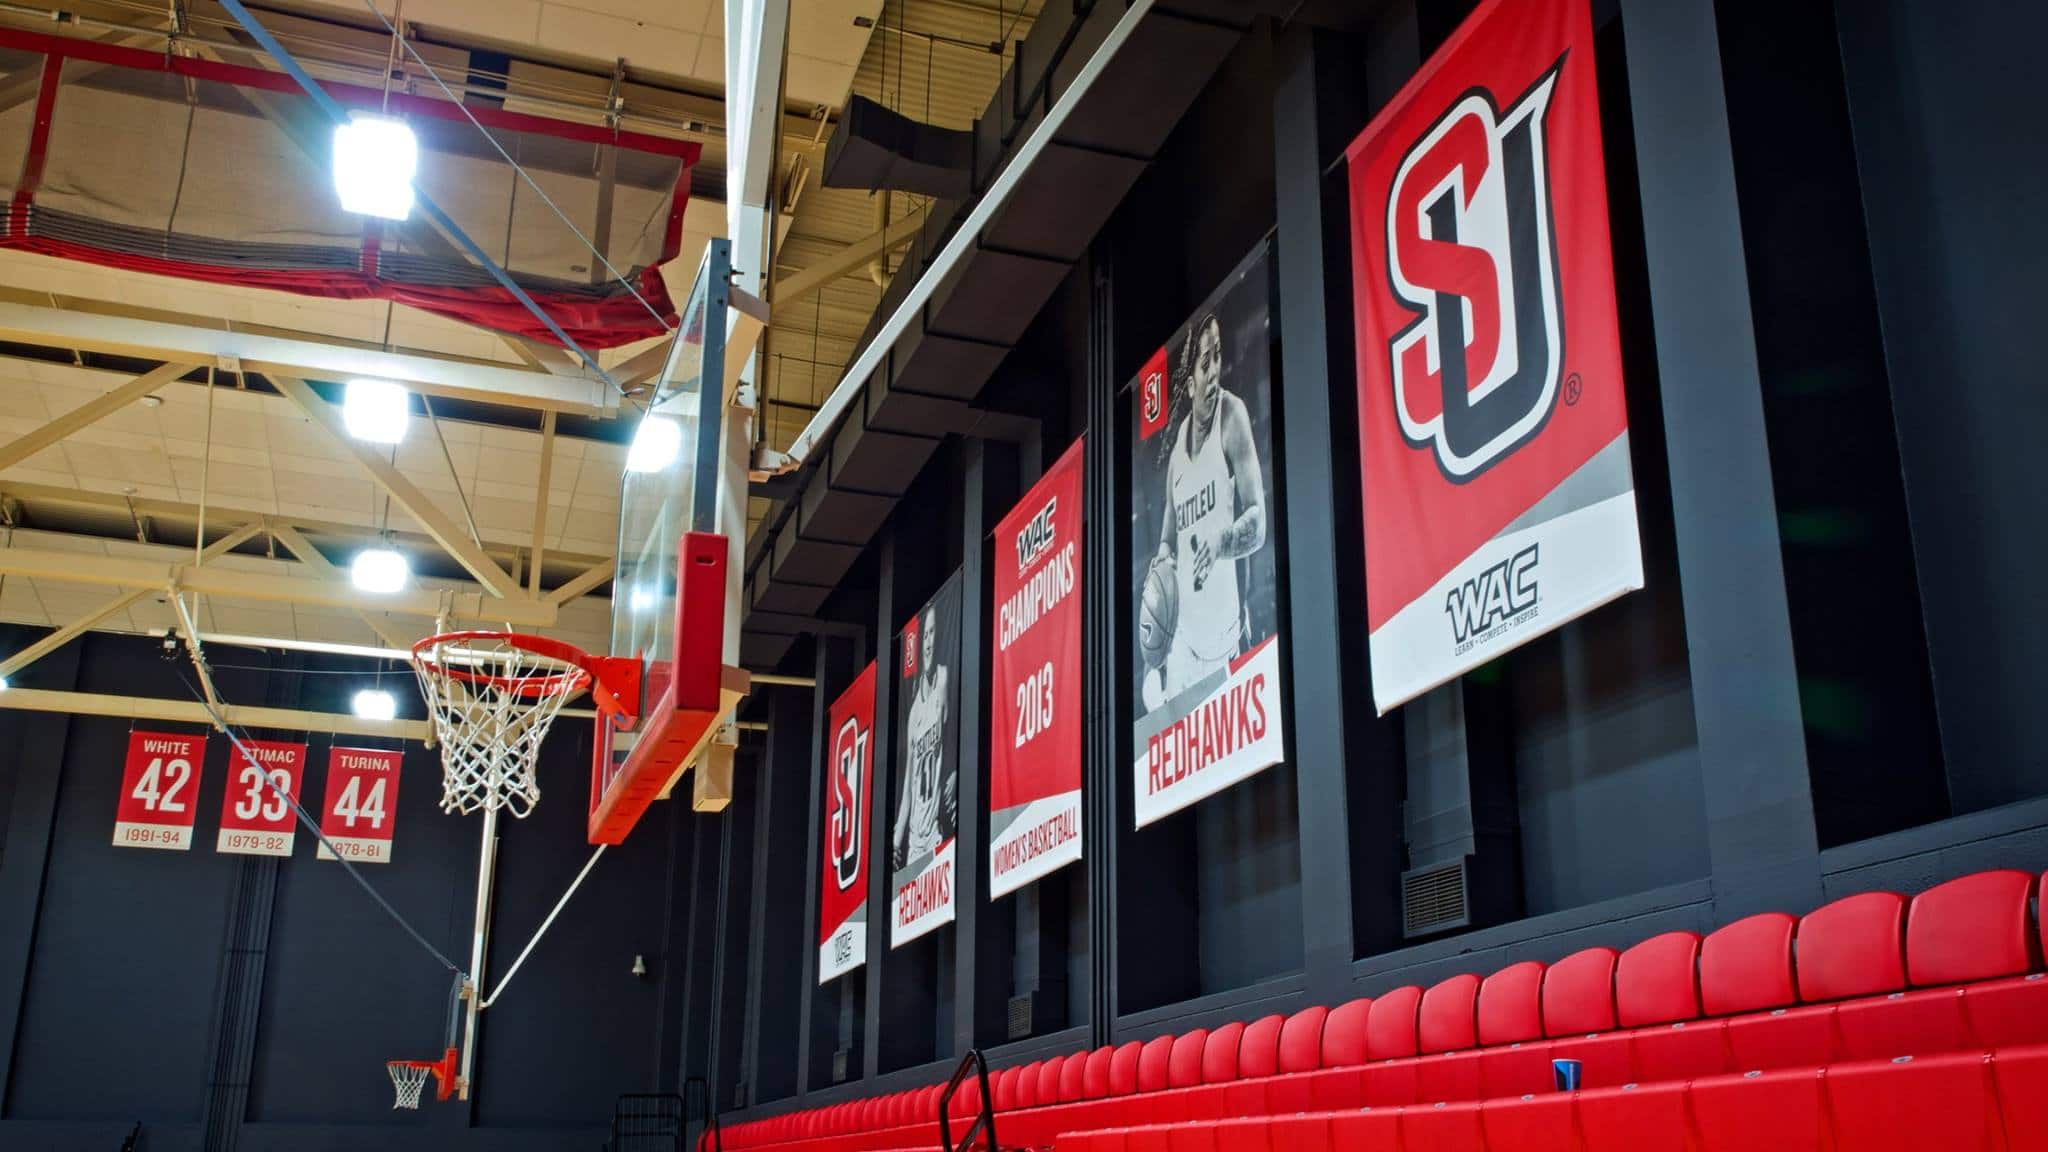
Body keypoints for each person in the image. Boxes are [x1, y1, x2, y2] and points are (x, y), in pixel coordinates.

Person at [1145, 312, 1267, 708]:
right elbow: (1167, 538)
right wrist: (1162, 562)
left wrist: (1221, 542)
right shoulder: (1178, 446)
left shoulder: (1232, 418)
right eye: (1205, 361)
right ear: (1190, 378)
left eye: (1218, 357)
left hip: (1226, 644)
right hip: (1182, 647)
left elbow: (1258, 521)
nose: (1214, 370)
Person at [893, 605, 954, 870]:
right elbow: (907, 786)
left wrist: (954, 775)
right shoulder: (914, 711)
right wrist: (896, 838)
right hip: (914, 843)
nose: (928, 643)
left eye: (932, 634)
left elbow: (954, 744)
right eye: (924, 636)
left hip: (935, 834)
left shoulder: (943, 680)